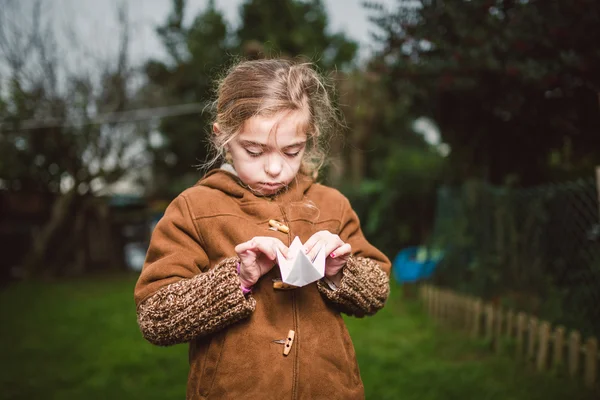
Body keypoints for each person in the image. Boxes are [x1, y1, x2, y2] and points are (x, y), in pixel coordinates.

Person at [134, 58, 391, 399]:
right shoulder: (193, 209)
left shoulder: (333, 205)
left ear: (308, 138)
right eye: (254, 151)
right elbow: (156, 318)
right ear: (223, 138)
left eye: (291, 151)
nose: (274, 168)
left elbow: (378, 291)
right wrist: (237, 278)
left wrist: (339, 272)